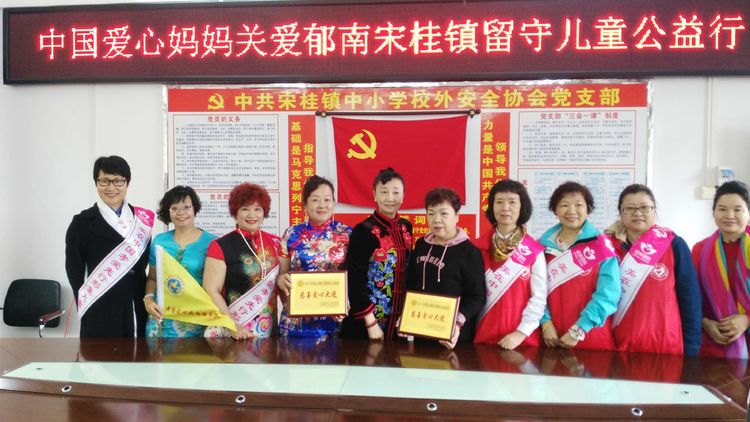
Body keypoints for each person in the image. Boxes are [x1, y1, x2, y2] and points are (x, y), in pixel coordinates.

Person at [604, 184, 701, 355]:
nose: (638, 213)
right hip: (617, 346)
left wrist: (691, 348)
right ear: (621, 212)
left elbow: (690, 299)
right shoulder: (608, 247)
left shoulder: (674, 245)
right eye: (630, 208)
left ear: (654, 210)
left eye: (645, 207)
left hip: (665, 347)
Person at [65, 156, 154, 337]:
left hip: (136, 300)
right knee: (100, 353)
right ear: (96, 183)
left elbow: (143, 264)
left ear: (127, 183)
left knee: (138, 352)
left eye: (118, 181)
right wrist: (86, 304)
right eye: (104, 181)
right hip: (100, 305)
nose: (111, 187)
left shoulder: (141, 220)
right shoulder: (82, 222)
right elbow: (74, 270)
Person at [538, 181, 620, 350]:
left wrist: (579, 329)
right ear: (555, 210)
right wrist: (545, 322)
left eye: (578, 205)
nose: (572, 211)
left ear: (587, 208)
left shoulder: (601, 246)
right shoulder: (542, 246)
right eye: (564, 205)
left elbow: (609, 294)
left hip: (590, 337)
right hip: (549, 337)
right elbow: (535, 290)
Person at [405, 187, 486, 349]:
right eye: (431, 213)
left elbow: (477, 297)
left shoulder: (470, 252)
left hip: (454, 337)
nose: (437, 219)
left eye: (444, 213)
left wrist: (457, 323)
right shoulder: (421, 245)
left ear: (457, 216)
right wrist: (406, 315)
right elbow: (410, 284)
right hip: (421, 331)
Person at [473, 180, 548, 350]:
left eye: (512, 202)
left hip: (522, 341)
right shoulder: (477, 247)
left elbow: (539, 297)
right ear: (492, 206)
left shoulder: (533, 250)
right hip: (482, 337)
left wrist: (521, 333)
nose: (505, 208)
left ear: (522, 207)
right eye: (499, 202)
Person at [276, 175, 352, 338]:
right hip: (297, 320)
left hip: (335, 319)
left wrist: (346, 303)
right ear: (305, 204)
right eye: (315, 200)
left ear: (334, 202)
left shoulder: (347, 234)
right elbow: (281, 276)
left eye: (327, 199)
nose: (322, 205)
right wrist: (281, 280)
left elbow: (354, 278)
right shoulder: (291, 234)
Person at [341, 168, 413, 340]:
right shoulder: (363, 230)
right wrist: (370, 322)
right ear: (374, 195)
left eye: (396, 192)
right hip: (369, 321)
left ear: (403, 196)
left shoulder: (406, 227)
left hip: (398, 321)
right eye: (384, 192)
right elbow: (354, 279)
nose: (390, 198)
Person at [203, 183, 281, 340]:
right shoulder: (221, 245)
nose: (252, 215)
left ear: (264, 212)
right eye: (245, 209)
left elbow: (284, 282)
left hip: (269, 329)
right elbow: (211, 289)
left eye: (257, 209)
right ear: (235, 213)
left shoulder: (277, 243)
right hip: (234, 331)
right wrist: (232, 325)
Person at [143, 186, 218, 337]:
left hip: (195, 319)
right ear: (168, 212)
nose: (181, 212)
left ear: (195, 208)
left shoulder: (212, 243)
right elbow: (152, 278)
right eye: (174, 208)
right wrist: (149, 299)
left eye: (186, 207)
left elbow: (215, 287)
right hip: (161, 319)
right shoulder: (159, 241)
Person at [692, 180, 750, 359]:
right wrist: (705, 323)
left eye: (738, 209)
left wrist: (747, 319)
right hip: (714, 343)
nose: (729, 215)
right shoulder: (700, 250)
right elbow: (691, 295)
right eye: (722, 209)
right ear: (714, 212)